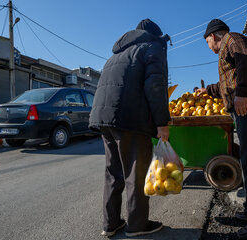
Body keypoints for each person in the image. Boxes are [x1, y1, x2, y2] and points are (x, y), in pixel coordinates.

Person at [89, 19, 171, 237]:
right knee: (136, 173)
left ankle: (111, 224)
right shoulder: (152, 47)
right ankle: (137, 226)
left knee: (113, 173)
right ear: (155, 35)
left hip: (104, 117)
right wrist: (162, 122)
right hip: (130, 119)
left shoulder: (116, 55)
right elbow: (156, 86)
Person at [196, 19, 247, 239]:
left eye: (207, 42)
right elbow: (226, 84)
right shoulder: (227, 49)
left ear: (212, 36)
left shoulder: (233, 39)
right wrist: (208, 90)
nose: (209, 47)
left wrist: (242, 93)